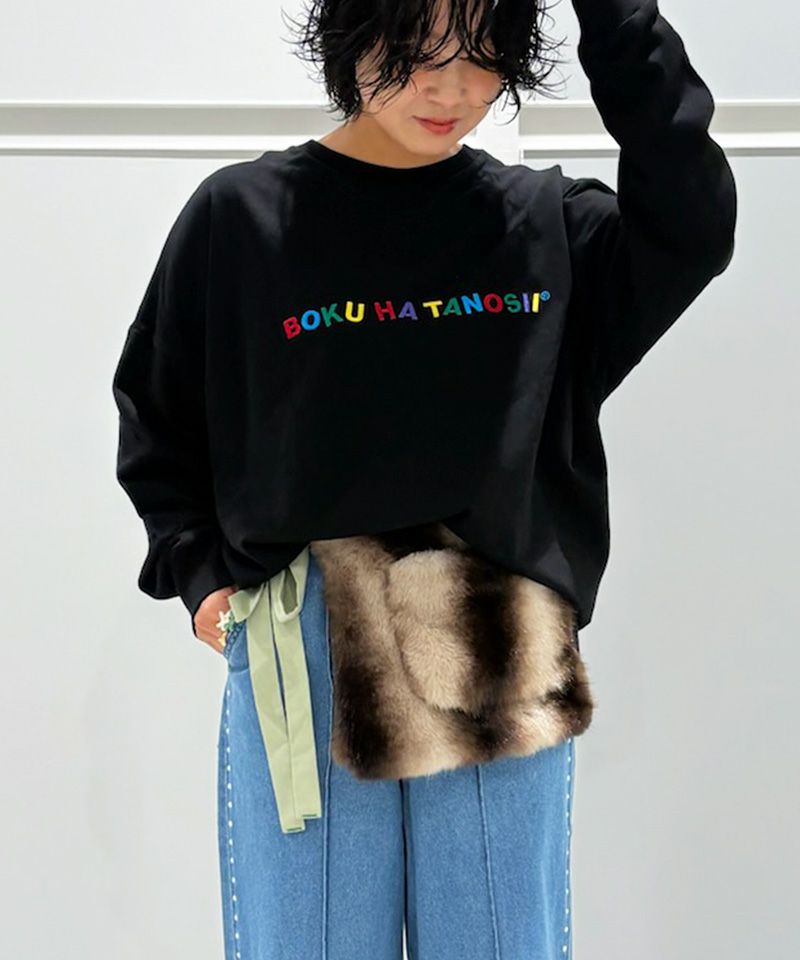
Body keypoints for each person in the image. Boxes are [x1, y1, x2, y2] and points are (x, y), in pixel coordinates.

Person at [111, 0, 737, 957]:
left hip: (493, 633)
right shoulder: (243, 218)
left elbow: (692, 222)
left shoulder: (545, 228)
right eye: (414, 53)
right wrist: (198, 573)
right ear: (349, 36)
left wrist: (614, 16)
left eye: (483, 54)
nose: (451, 89)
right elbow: (158, 408)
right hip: (305, 639)